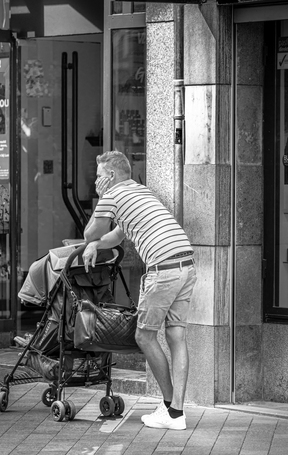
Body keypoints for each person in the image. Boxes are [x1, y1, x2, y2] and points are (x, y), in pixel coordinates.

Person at [83, 151, 197, 431]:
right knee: (176, 335)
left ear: (110, 176)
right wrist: (98, 246)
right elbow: (117, 235)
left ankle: (169, 407)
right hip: (186, 262)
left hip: (163, 268)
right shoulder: (139, 191)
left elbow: (90, 232)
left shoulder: (111, 195)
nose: (97, 181)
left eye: (99, 176)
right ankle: (177, 412)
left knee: (144, 336)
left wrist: (97, 215)